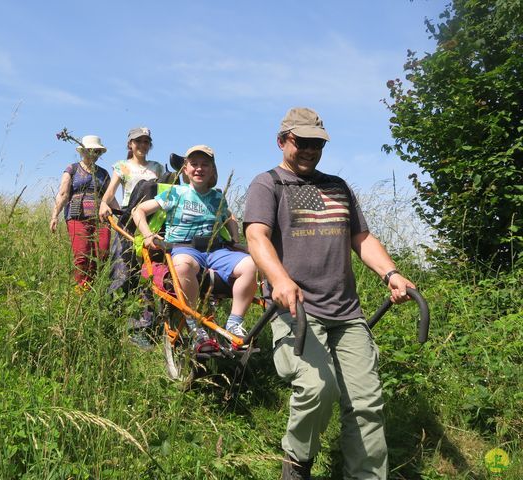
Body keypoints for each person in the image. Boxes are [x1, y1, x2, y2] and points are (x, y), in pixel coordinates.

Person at [243, 107, 415, 480]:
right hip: (296, 309)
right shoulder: (268, 184)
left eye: (316, 143)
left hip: (346, 313)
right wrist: (280, 279)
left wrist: (392, 273)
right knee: (317, 389)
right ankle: (297, 464)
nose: (309, 149)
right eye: (301, 141)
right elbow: (256, 236)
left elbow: (363, 238)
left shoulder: (337, 185)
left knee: (366, 403)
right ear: (282, 140)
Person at [132, 145, 258, 352]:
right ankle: (194, 325)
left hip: (216, 250)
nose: (199, 168)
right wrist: (147, 235)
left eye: (205, 165)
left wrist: (235, 239)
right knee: (182, 265)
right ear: (186, 169)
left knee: (251, 264)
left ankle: (234, 324)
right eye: (194, 164)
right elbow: (139, 211)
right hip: (184, 248)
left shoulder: (218, 197)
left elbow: (229, 216)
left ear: (212, 170)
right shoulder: (176, 192)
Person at [98, 127, 165, 347]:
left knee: (149, 272)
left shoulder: (156, 167)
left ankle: (147, 324)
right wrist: (108, 209)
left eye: (146, 142)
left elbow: (166, 192)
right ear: (130, 144)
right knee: (125, 271)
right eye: (138, 142)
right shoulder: (122, 166)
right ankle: (116, 318)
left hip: (153, 222)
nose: (142, 146)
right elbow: (108, 196)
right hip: (129, 221)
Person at [50, 135, 113, 292]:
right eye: (90, 150)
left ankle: (94, 287)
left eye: (97, 151)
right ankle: (82, 290)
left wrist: (122, 216)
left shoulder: (104, 173)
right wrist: (54, 215)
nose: (93, 154)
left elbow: (110, 197)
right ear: (83, 151)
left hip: (101, 219)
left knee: (103, 252)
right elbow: (63, 194)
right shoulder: (72, 169)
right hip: (77, 217)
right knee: (82, 254)